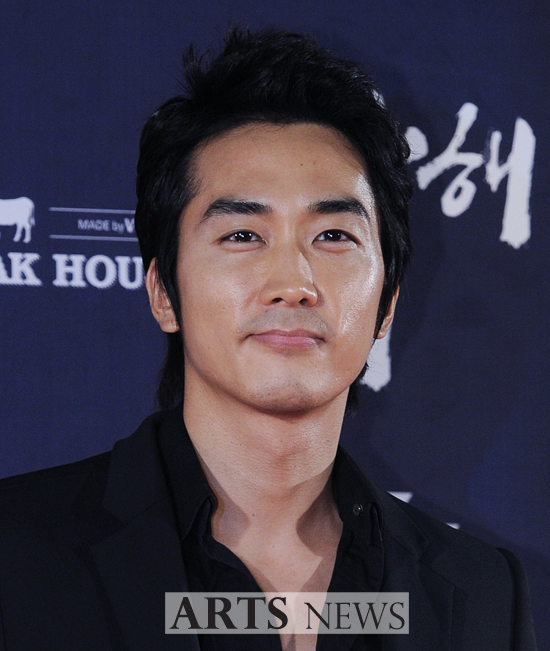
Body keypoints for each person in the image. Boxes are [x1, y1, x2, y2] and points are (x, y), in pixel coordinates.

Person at [0, 27, 537, 651]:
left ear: (387, 303)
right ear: (164, 291)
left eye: (333, 236)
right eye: (243, 236)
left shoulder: (482, 595)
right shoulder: (16, 554)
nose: (293, 284)